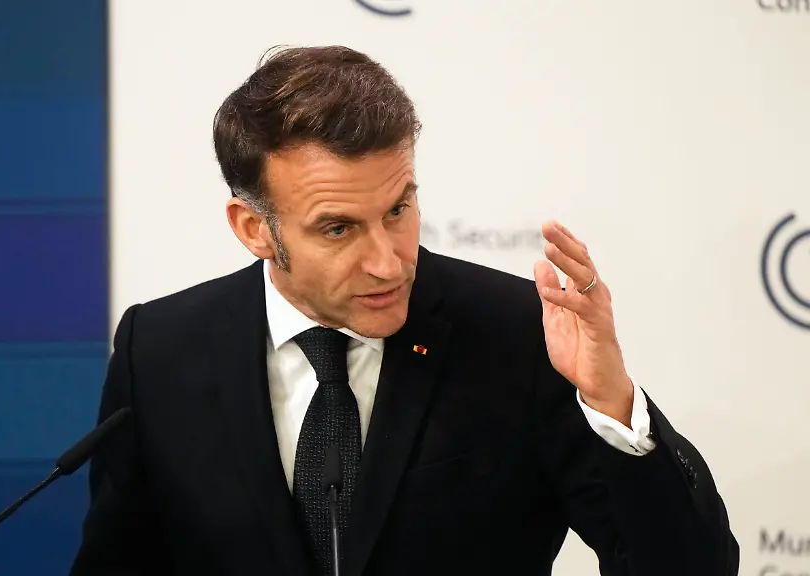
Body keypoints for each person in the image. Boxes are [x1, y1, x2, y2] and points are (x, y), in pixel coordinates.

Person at [69, 45, 738, 575]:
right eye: (338, 229)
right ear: (254, 229)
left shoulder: (516, 334)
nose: (389, 261)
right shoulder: (158, 351)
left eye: (398, 209)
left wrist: (613, 402)